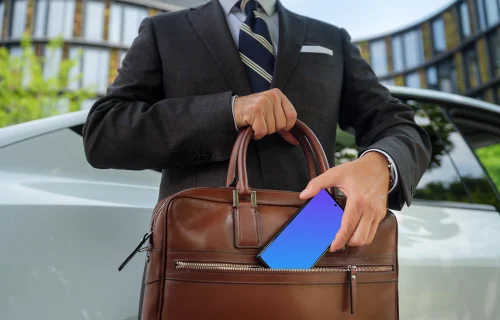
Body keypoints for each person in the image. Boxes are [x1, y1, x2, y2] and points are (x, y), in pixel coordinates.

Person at [82, 0, 431, 253]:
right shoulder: (165, 31)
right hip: (201, 243)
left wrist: (381, 165)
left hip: (314, 233)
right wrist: (228, 111)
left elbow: (399, 126)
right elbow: (104, 132)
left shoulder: (331, 38)